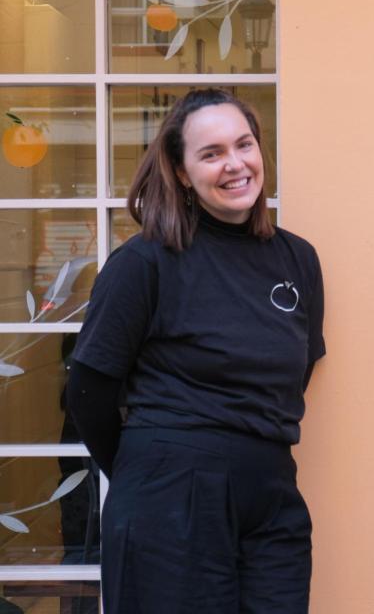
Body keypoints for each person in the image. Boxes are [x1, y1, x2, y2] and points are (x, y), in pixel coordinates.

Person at [65, 89, 325, 613]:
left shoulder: (297, 260)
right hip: (171, 493)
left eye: (243, 145)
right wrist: (153, 468)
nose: (235, 164)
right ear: (182, 173)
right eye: (211, 154)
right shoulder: (145, 262)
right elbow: (88, 391)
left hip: (271, 495)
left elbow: (296, 371)